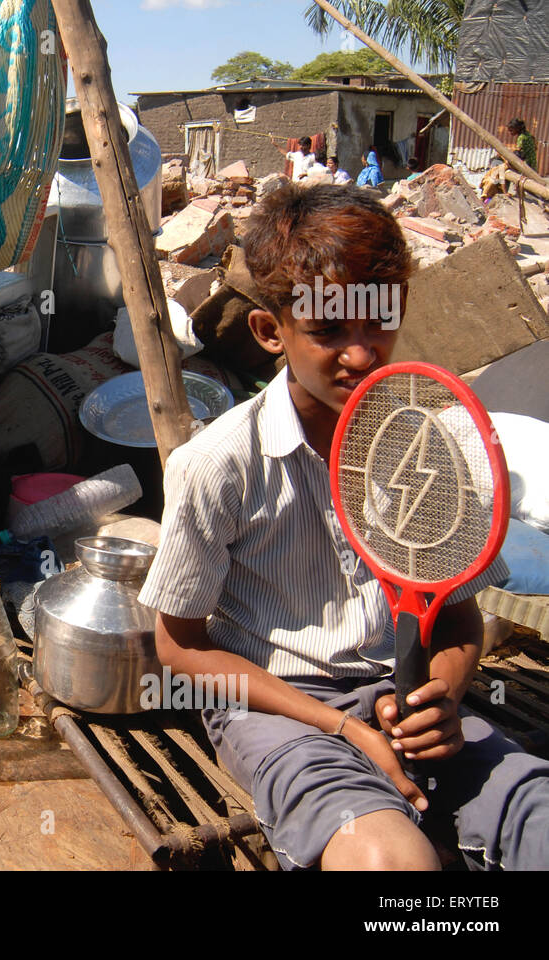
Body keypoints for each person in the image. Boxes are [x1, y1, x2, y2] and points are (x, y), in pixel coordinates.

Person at [139, 182, 549, 871]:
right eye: (328, 331)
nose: (360, 355)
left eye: (377, 323)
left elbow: (454, 619)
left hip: (403, 697)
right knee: (391, 863)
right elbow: (181, 650)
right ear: (272, 332)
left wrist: (441, 698)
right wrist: (340, 727)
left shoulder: (432, 447)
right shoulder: (217, 465)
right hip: (278, 712)